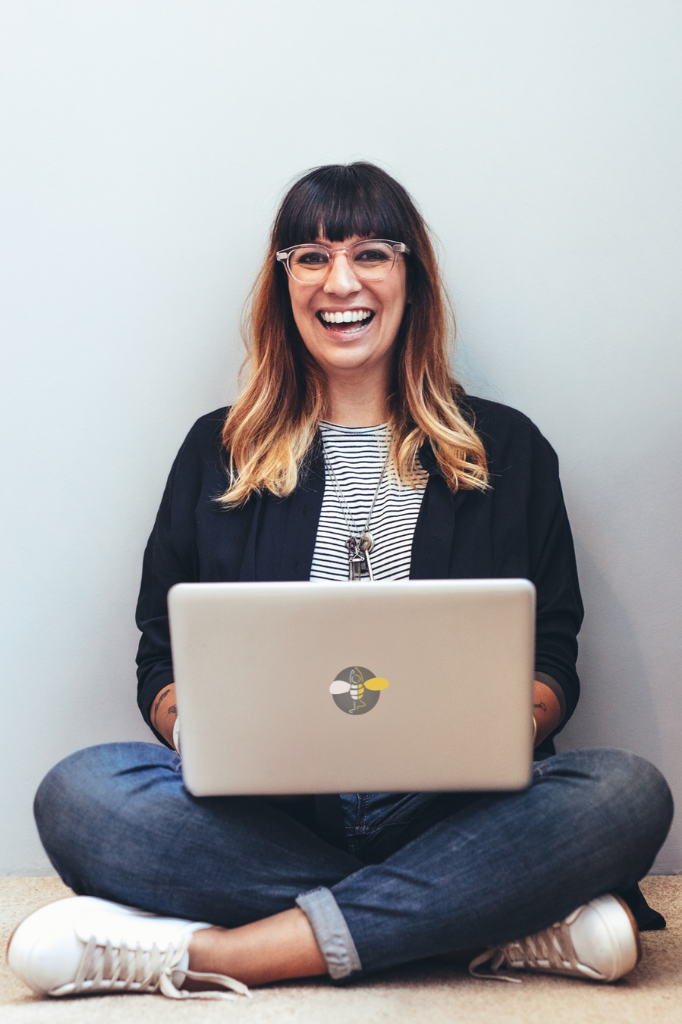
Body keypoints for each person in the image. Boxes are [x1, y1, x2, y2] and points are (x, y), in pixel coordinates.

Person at [9, 163, 673, 1001]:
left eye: (371, 253)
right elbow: (160, 656)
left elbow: (553, 654)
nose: (342, 281)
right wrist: (198, 735)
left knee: (623, 795)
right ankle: (489, 915)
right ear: (282, 280)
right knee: (81, 795)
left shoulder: (508, 451)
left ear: (411, 277)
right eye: (311, 256)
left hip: (458, 810)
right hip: (274, 815)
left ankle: (226, 954)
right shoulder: (219, 451)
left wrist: (513, 718)